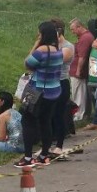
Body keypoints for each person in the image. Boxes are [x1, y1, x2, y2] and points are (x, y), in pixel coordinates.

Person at [16, 21, 64, 168]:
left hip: (38, 92)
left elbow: (27, 64)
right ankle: (44, 155)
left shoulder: (41, 50)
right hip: (54, 91)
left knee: (27, 121)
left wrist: (36, 44)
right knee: (46, 122)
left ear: (43, 34)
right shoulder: (58, 51)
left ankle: (28, 157)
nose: (38, 35)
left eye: (39, 33)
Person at [48, 18, 75, 155]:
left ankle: (59, 144)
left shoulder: (67, 46)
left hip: (61, 82)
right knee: (47, 115)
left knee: (58, 114)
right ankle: (47, 144)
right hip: (48, 83)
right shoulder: (49, 46)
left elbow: (55, 60)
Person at [68, 18, 94, 122]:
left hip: (78, 72)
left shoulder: (85, 38)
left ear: (79, 27)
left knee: (78, 93)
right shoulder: (85, 37)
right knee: (80, 92)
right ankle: (82, 113)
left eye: (73, 29)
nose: (72, 32)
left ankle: (78, 114)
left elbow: (82, 57)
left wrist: (78, 70)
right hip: (76, 70)